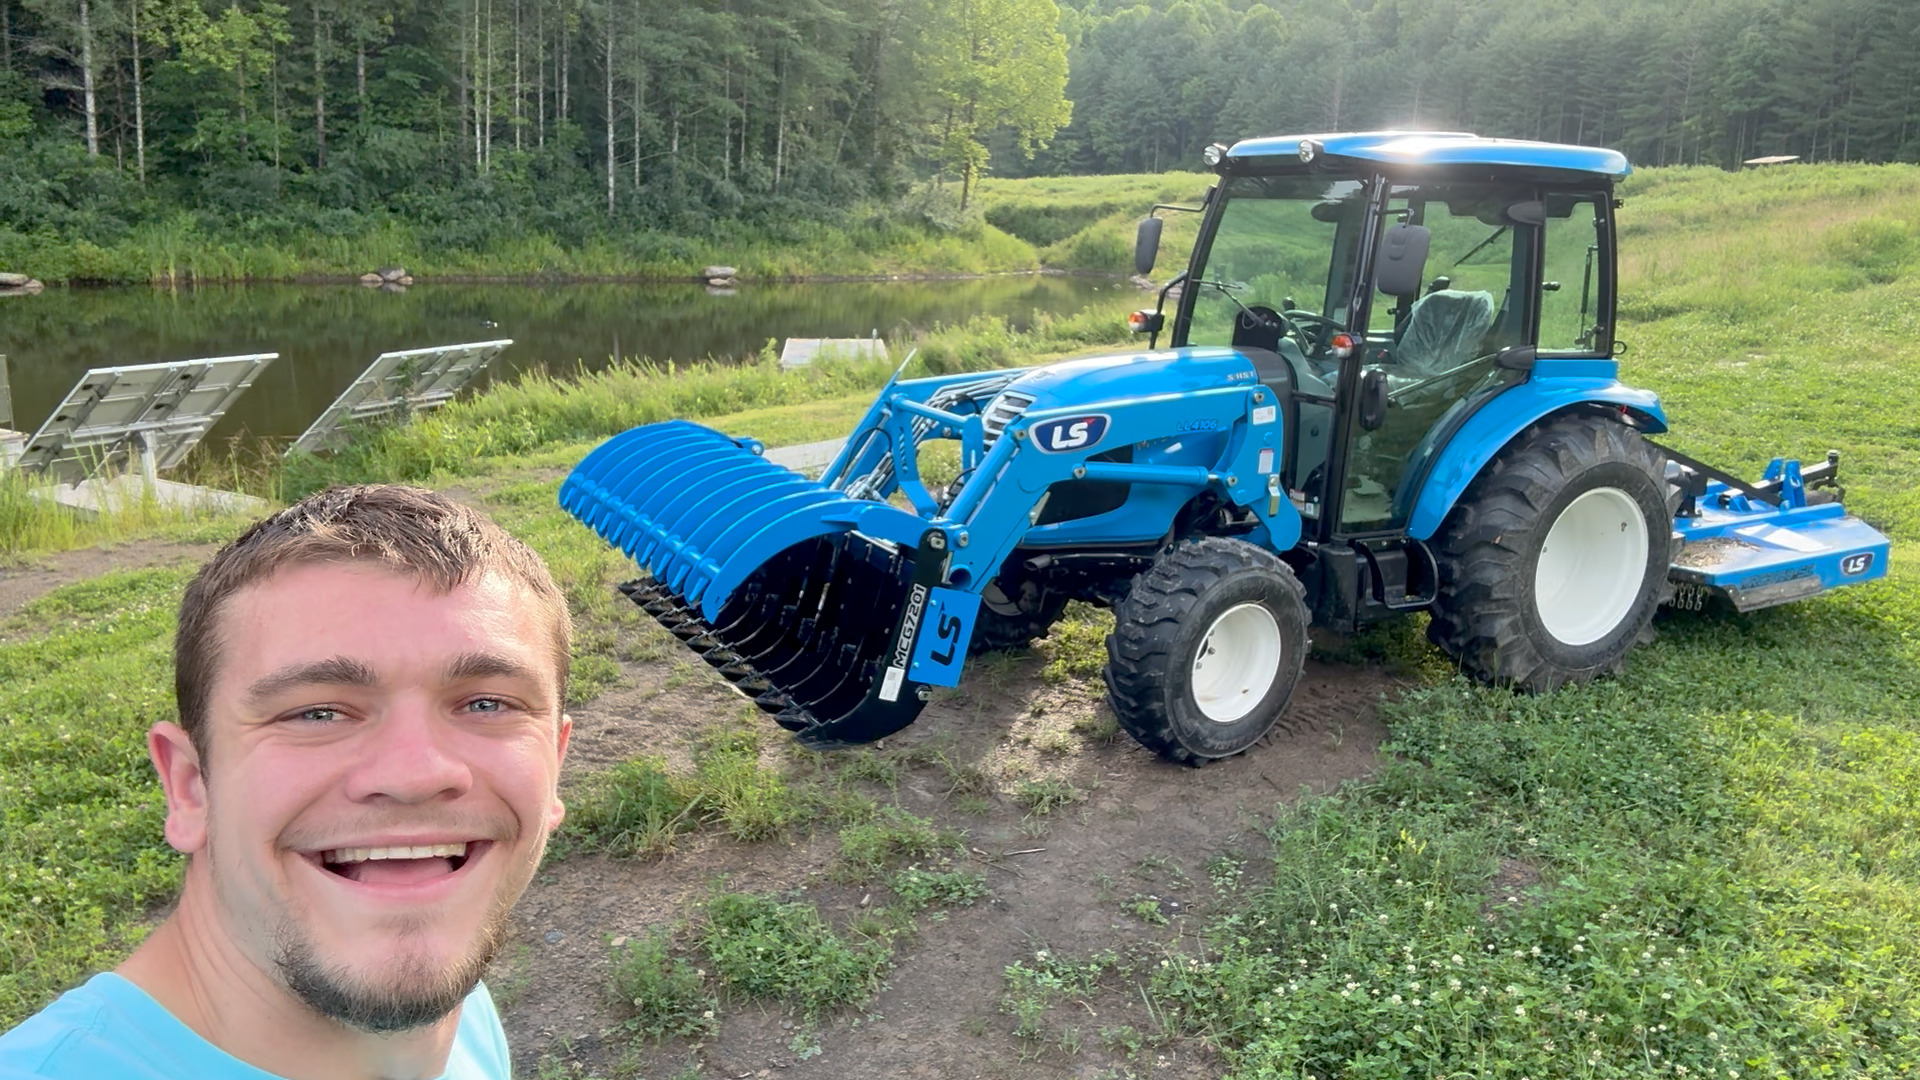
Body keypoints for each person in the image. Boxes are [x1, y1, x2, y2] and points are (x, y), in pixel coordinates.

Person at [0, 485, 574, 1080]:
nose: (415, 776)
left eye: (486, 704)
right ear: (190, 785)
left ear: (555, 762)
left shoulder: (458, 1000)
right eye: (317, 713)